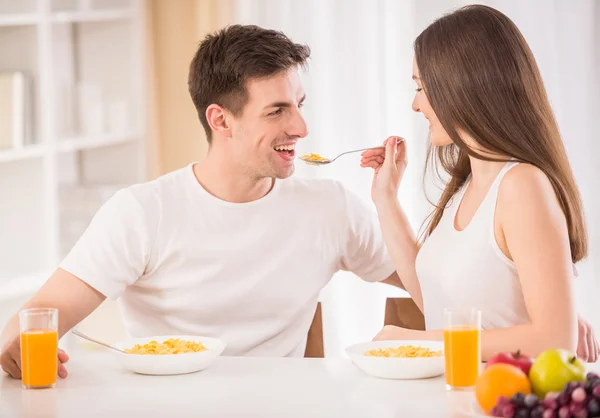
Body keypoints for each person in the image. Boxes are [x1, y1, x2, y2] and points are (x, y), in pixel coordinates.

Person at [0, 24, 402, 380]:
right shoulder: (144, 212)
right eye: (277, 110)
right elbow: (36, 318)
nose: (300, 127)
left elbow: (436, 287)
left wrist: (387, 200)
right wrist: (17, 345)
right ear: (221, 120)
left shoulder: (329, 206)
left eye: (299, 105)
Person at [360, 4, 599, 362]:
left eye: (422, 88)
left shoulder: (521, 186)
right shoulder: (467, 187)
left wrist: (424, 344)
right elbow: (438, 300)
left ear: (463, 87)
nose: (415, 104)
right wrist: (385, 198)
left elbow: (555, 339)